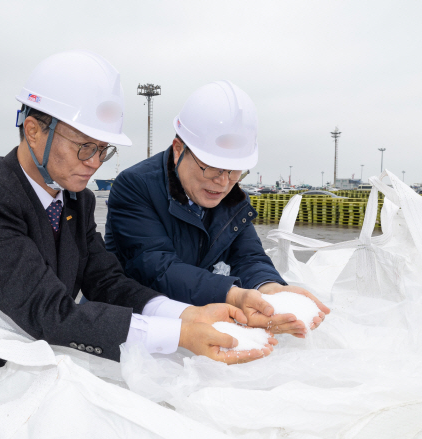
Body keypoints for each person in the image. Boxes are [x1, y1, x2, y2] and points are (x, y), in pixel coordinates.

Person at [0, 52, 273, 439]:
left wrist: (187, 315)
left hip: (29, 388)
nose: (95, 161)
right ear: (34, 130)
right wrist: (178, 335)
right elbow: (48, 310)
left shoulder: (75, 201)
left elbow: (108, 282)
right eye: (85, 146)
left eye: (103, 149)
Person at [105, 80, 330, 337]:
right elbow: (157, 267)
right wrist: (232, 294)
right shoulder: (136, 186)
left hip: (198, 317)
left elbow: (248, 256)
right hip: (132, 324)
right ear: (179, 150)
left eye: (235, 170)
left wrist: (268, 288)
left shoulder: (233, 199)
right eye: (211, 167)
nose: (223, 182)